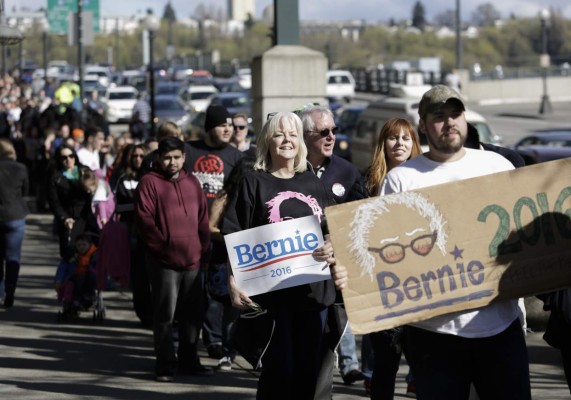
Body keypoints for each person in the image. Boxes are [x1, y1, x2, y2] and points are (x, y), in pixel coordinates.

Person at [381, 85, 531, 399]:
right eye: (439, 116)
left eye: (456, 114)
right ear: (423, 125)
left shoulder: (497, 166)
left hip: (500, 326)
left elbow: (530, 237)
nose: (449, 122)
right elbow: (384, 250)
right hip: (434, 335)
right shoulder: (401, 179)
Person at [222, 111, 347, 399]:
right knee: (280, 371)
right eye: (279, 134)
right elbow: (233, 233)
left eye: (292, 133)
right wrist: (232, 279)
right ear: (267, 140)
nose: (286, 139)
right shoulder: (253, 182)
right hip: (274, 298)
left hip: (315, 294)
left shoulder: (313, 182)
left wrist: (331, 243)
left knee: (309, 372)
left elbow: (332, 228)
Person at [298, 104, 365, 391]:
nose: (331, 137)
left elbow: (362, 224)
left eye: (334, 131)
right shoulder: (287, 170)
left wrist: (334, 239)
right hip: (292, 283)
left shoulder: (348, 172)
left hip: (332, 286)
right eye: (323, 131)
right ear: (304, 135)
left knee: (324, 357)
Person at [134, 137, 211, 382]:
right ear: (159, 158)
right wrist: (162, 249)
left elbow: (202, 219)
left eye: (177, 157)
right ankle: (165, 364)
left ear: (184, 157)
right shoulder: (148, 183)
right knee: (164, 316)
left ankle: (190, 360)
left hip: (193, 260)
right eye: (167, 157)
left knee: (193, 315)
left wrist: (203, 247)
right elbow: (145, 223)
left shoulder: (193, 182)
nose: (172, 162)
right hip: (163, 263)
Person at [364, 118, 422, 399]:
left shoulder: (428, 179)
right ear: (382, 143)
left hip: (422, 285)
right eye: (393, 138)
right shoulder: (366, 182)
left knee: (427, 366)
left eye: (406, 138)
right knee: (385, 365)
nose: (399, 144)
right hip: (382, 289)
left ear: (414, 144)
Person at [187, 105, 244, 360]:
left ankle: (214, 341)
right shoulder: (189, 151)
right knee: (193, 293)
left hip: (221, 235)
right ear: (210, 127)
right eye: (223, 125)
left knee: (217, 291)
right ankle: (191, 340)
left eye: (231, 125)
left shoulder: (235, 157)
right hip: (190, 234)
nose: (228, 129)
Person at [207, 157, 255, 370]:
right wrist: (234, 238)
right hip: (224, 260)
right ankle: (227, 351)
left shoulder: (255, 194)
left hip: (250, 259)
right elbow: (210, 227)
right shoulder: (224, 196)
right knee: (229, 309)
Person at [47, 144, 98, 258]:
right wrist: (64, 218)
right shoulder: (56, 177)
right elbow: (54, 202)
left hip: (87, 216)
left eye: (71, 156)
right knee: (70, 254)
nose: (68, 159)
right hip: (69, 219)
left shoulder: (84, 171)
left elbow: (96, 189)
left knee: (91, 253)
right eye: (64, 157)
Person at [0, 138, 29, 307]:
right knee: (13, 256)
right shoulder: (21, 168)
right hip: (15, 216)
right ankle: (11, 287)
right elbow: (26, 191)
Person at [53, 232, 97, 311]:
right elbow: (62, 268)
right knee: (79, 278)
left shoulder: (94, 255)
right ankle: (77, 300)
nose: (81, 247)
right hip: (76, 276)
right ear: (75, 246)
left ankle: (88, 297)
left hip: (91, 276)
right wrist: (58, 280)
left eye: (84, 245)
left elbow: (100, 268)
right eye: (79, 245)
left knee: (92, 277)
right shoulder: (72, 255)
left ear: (89, 245)